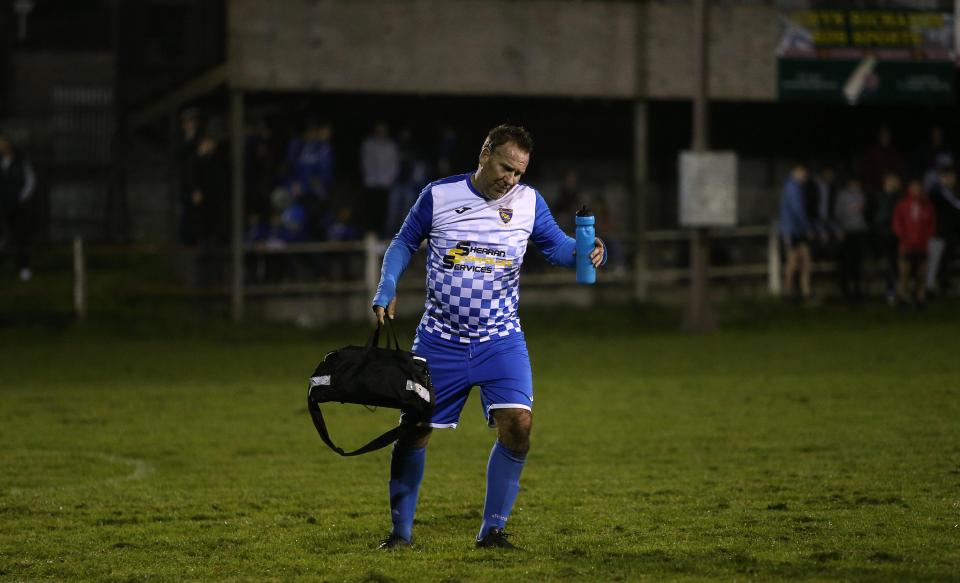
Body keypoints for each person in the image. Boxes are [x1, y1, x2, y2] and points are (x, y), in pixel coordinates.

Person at [371, 124, 606, 550]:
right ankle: (400, 534)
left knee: (519, 426)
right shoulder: (439, 196)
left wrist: (588, 250)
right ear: (485, 153)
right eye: (504, 167)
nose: (510, 179)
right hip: (439, 341)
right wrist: (386, 288)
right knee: (414, 430)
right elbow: (404, 243)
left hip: (501, 340)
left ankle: (493, 531)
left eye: (518, 172)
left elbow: (557, 248)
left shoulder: (529, 202)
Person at [892, 179, 936, 308]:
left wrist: (926, 237)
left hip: (922, 246)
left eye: (918, 188)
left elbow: (931, 224)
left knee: (921, 274)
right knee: (904, 274)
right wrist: (904, 238)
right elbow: (897, 224)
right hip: (906, 246)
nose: (916, 191)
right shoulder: (902, 205)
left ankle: (920, 299)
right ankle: (901, 298)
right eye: (914, 188)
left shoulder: (927, 205)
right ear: (909, 189)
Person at [0, 133, 36, 281]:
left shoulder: (22, 162)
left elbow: (30, 181)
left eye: (3, 143)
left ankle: (24, 268)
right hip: (2, 206)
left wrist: (21, 198)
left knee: (21, 237)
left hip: (17, 206)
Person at [778, 164, 814, 303]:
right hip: (792, 230)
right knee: (794, 262)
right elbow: (797, 210)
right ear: (796, 172)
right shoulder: (792, 187)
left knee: (804, 261)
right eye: (802, 173)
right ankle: (788, 293)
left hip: (796, 230)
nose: (805, 176)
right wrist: (807, 228)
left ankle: (805, 293)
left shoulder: (796, 187)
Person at [360, 121, 400, 236]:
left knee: (384, 212)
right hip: (371, 183)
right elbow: (365, 162)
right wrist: (368, 179)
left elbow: (394, 164)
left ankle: (384, 236)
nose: (381, 132)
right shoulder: (368, 144)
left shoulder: (391, 145)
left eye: (383, 129)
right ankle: (370, 236)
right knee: (370, 210)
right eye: (379, 129)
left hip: (386, 184)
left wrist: (389, 179)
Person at [925, 164, 959, 295]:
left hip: (953, 234)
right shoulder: (934, 194)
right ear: (940, 178)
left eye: (950, 176)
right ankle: (929, 287)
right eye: (944, 176)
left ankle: (945, 284)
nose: (948, 179)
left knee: (948, 261)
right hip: (938, 232)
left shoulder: (956, 192)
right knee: (934, 261)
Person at [833, 177, 868, 301]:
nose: (856, 185)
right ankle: (845, 290)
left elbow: (865, 213)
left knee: (857, 263)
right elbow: (838, 215)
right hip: (848, 233)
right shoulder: (842, 196)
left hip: (859, 232)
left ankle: (857, 290)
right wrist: (840, 231)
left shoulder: (862, 195)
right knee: (846, 263)